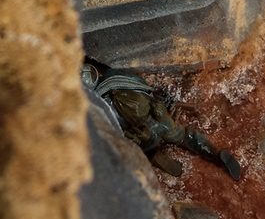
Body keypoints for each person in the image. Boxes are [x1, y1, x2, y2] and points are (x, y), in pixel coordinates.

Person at [83, 64, 242, 180]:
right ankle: (213, 153)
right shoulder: (113, 76)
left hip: (144, 136)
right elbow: (142, 84)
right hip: (160, 117)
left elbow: (112, 138)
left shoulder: (96, 110)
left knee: (135, 150)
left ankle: (154, 156)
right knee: (184, 136)